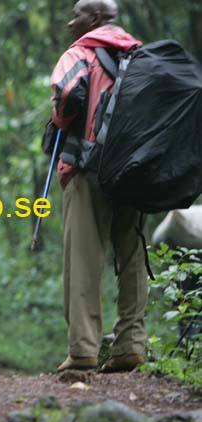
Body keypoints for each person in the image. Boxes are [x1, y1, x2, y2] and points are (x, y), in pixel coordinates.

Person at [50, 0, 148, 373]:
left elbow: (66, 99)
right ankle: (131, 345)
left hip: (87, 167)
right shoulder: (141, 56)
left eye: (76, 15)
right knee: (133, 256)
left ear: (93, 19)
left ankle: (84, 350)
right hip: (135, 171)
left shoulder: (79, 53)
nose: (71, 22)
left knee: (84, 259)